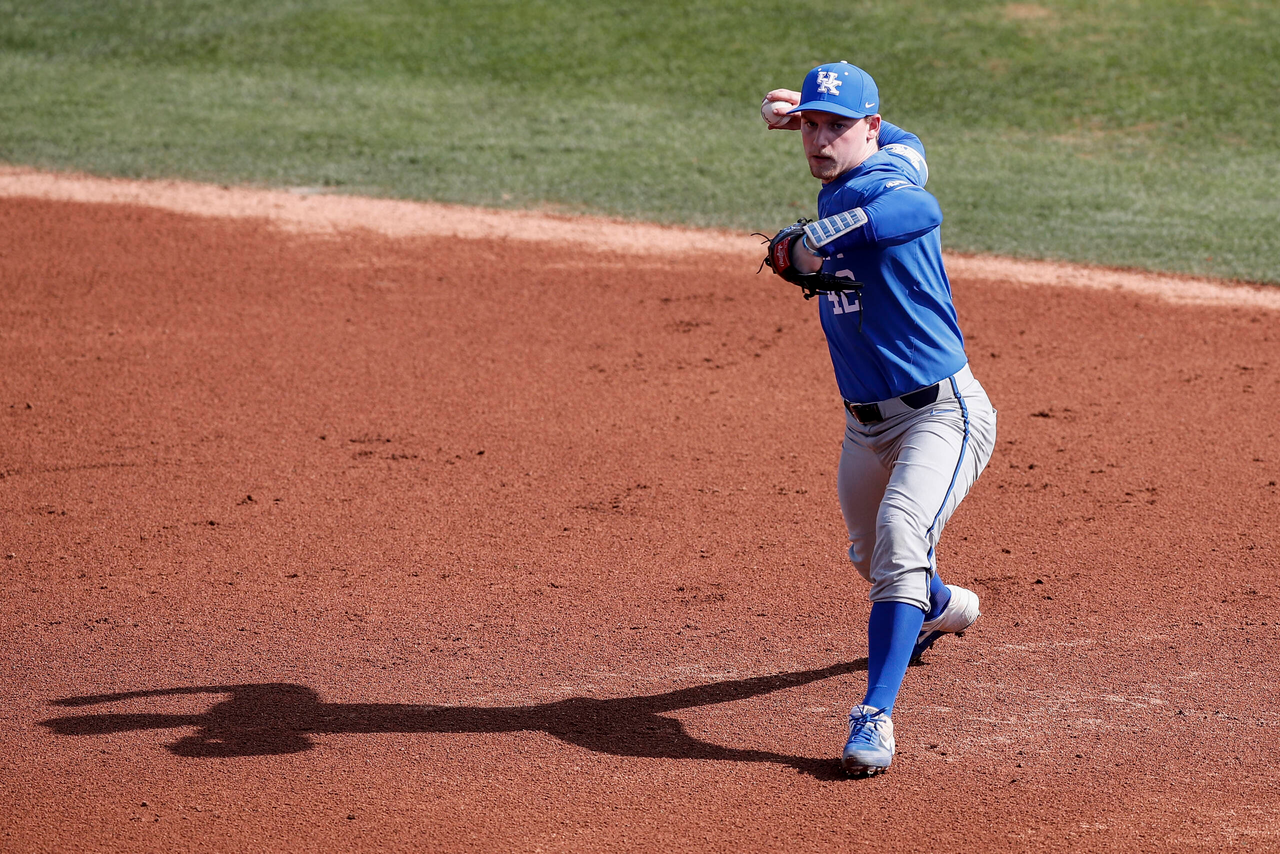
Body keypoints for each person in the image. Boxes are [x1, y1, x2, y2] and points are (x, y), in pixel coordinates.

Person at [759, 62, 997, 777]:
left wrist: (820, 238)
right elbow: (903, 136)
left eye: (837, 126)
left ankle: (875, 716)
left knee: (899, 537)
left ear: (869, 129)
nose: (819, 140)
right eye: (810, 126)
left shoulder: (888, 181)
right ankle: (943, 603)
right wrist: (816, 111)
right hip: (865, 427)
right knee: (875, 559)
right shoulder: (890, 146)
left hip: (942, 416)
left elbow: (920, 212)